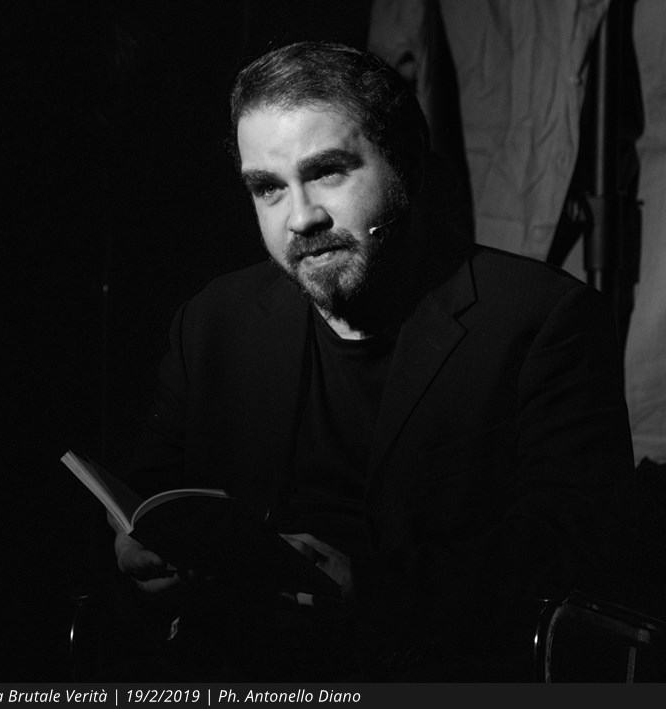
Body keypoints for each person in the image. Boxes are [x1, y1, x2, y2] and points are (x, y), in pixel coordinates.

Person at [111, 42, 634, 680]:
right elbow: (150, 487)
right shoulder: (215, 319)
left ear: (405, 162)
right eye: (269, 188)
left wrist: (373, 587)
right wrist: (133, 545)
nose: (301, 217)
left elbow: (578, 545)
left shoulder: (540, 319)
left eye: (328, 172)